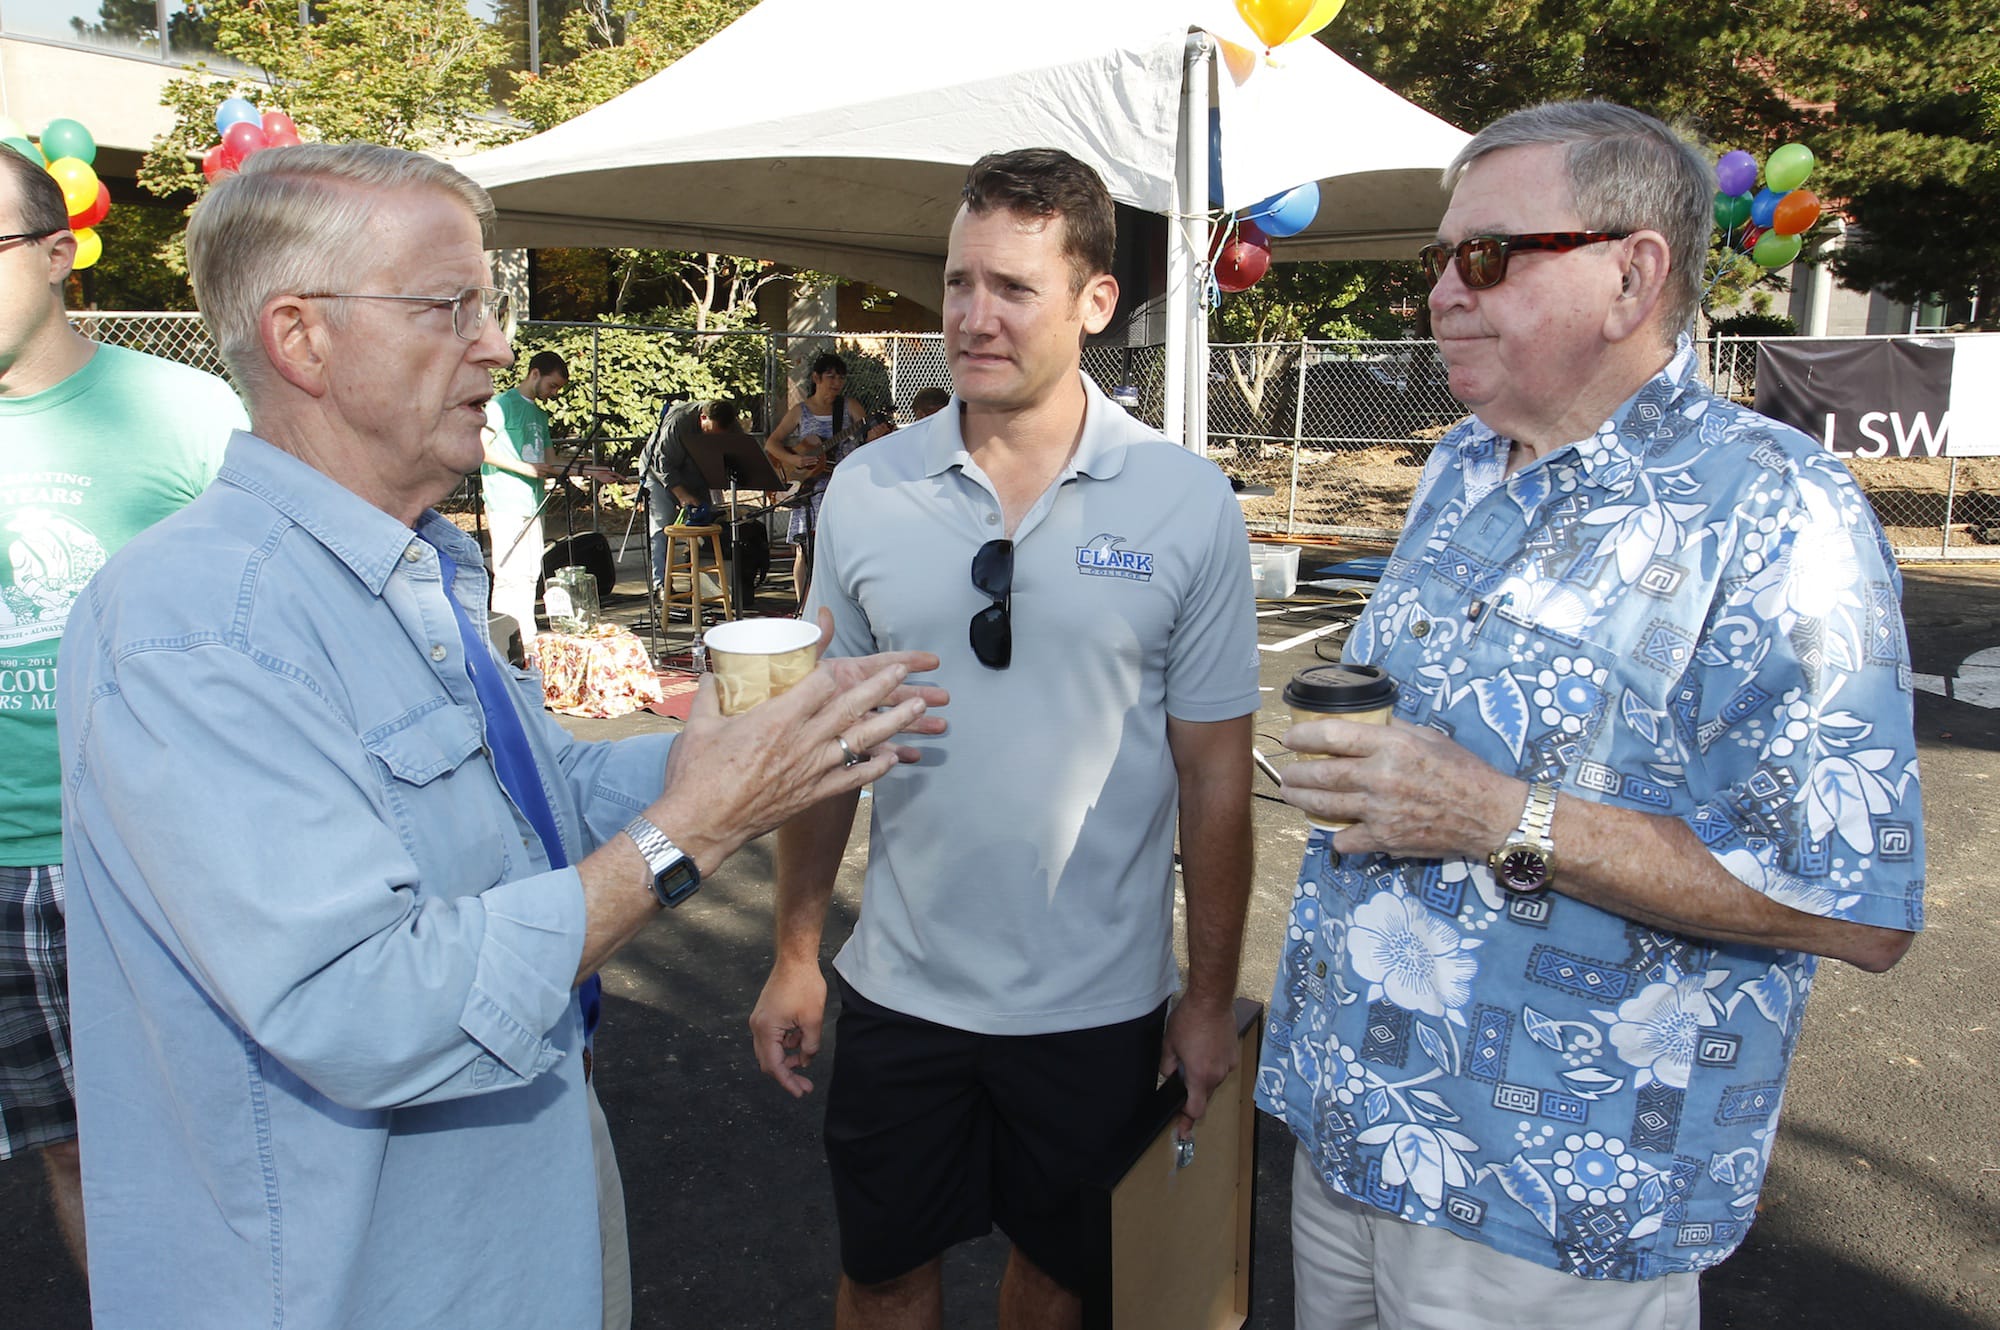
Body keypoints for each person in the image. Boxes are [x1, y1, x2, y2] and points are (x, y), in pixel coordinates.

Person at [56, 142, 945, 1329]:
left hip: (512, 1237)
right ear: (299, 338)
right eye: (449, 306)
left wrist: (748, 747)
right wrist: (696, 823)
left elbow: (542, 799)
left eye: (487, 303)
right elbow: (360, 1002)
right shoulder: (196, 627)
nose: (494, 343)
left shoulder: (413, 563)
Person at [1259, 100, 1924, 1329]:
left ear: (1631, 274)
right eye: (1438, 260)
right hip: (1351, 1130)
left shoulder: (1777, 510)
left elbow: (1849, 900)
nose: (1442, 295)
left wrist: (1496, 815)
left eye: (1487, 256)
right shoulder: (1458, 464)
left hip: (1550, 1201)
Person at [749, 147, 1260, 1330]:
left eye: (1012, 288)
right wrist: (792, 949)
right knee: (881, 1273)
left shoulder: (1182, 500)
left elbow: (1215, 773)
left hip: (1094, 1007)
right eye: (958, 282)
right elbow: (830, 751)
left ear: (1093, 302)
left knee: (1061, 1281)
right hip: (902, 992)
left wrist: (1205, 996)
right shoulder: (867, 490)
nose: (973, 317)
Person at [0, 145, 244, 1277]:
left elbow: (277, 617)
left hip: (151, 846)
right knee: (75, 1158)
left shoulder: (182, 413)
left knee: (222, 1143)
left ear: (58, 254)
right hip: (6, 870)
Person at [480, 348, 567, 648]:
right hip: (505, 501)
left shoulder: (539, 414)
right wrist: (523, 468)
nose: (553, 393)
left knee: (531, 572)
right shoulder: (500, 405)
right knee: (508, 574)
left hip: (533, 503)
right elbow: (480, 448)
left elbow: (551, 462)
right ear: (535, 374)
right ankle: (504, 644)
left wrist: (592, 470)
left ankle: (526, 639)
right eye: (551, 385)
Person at [766, 351, 866, 606]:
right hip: (809, 489)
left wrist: (876, 430)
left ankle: (840, 605)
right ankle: (804, 606)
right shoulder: (800, 411)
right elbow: (772, 443)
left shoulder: (849, 407)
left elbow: (868, 437)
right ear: (816, 378)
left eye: (840, 378)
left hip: (843, 487)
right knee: (804, 549)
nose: (836, 382)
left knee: (840, 548)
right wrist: (795, 461)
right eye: (830, 376)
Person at [637, 395, 736, 594]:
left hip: (695, 473)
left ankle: (701, 585)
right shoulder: (678, 422)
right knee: (662, 526)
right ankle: (661, 586)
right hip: (658, 474)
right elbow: (661, 463)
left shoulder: (731, 426)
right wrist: (681, 494)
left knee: (704, 525)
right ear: (703, 418)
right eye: (711, 434)